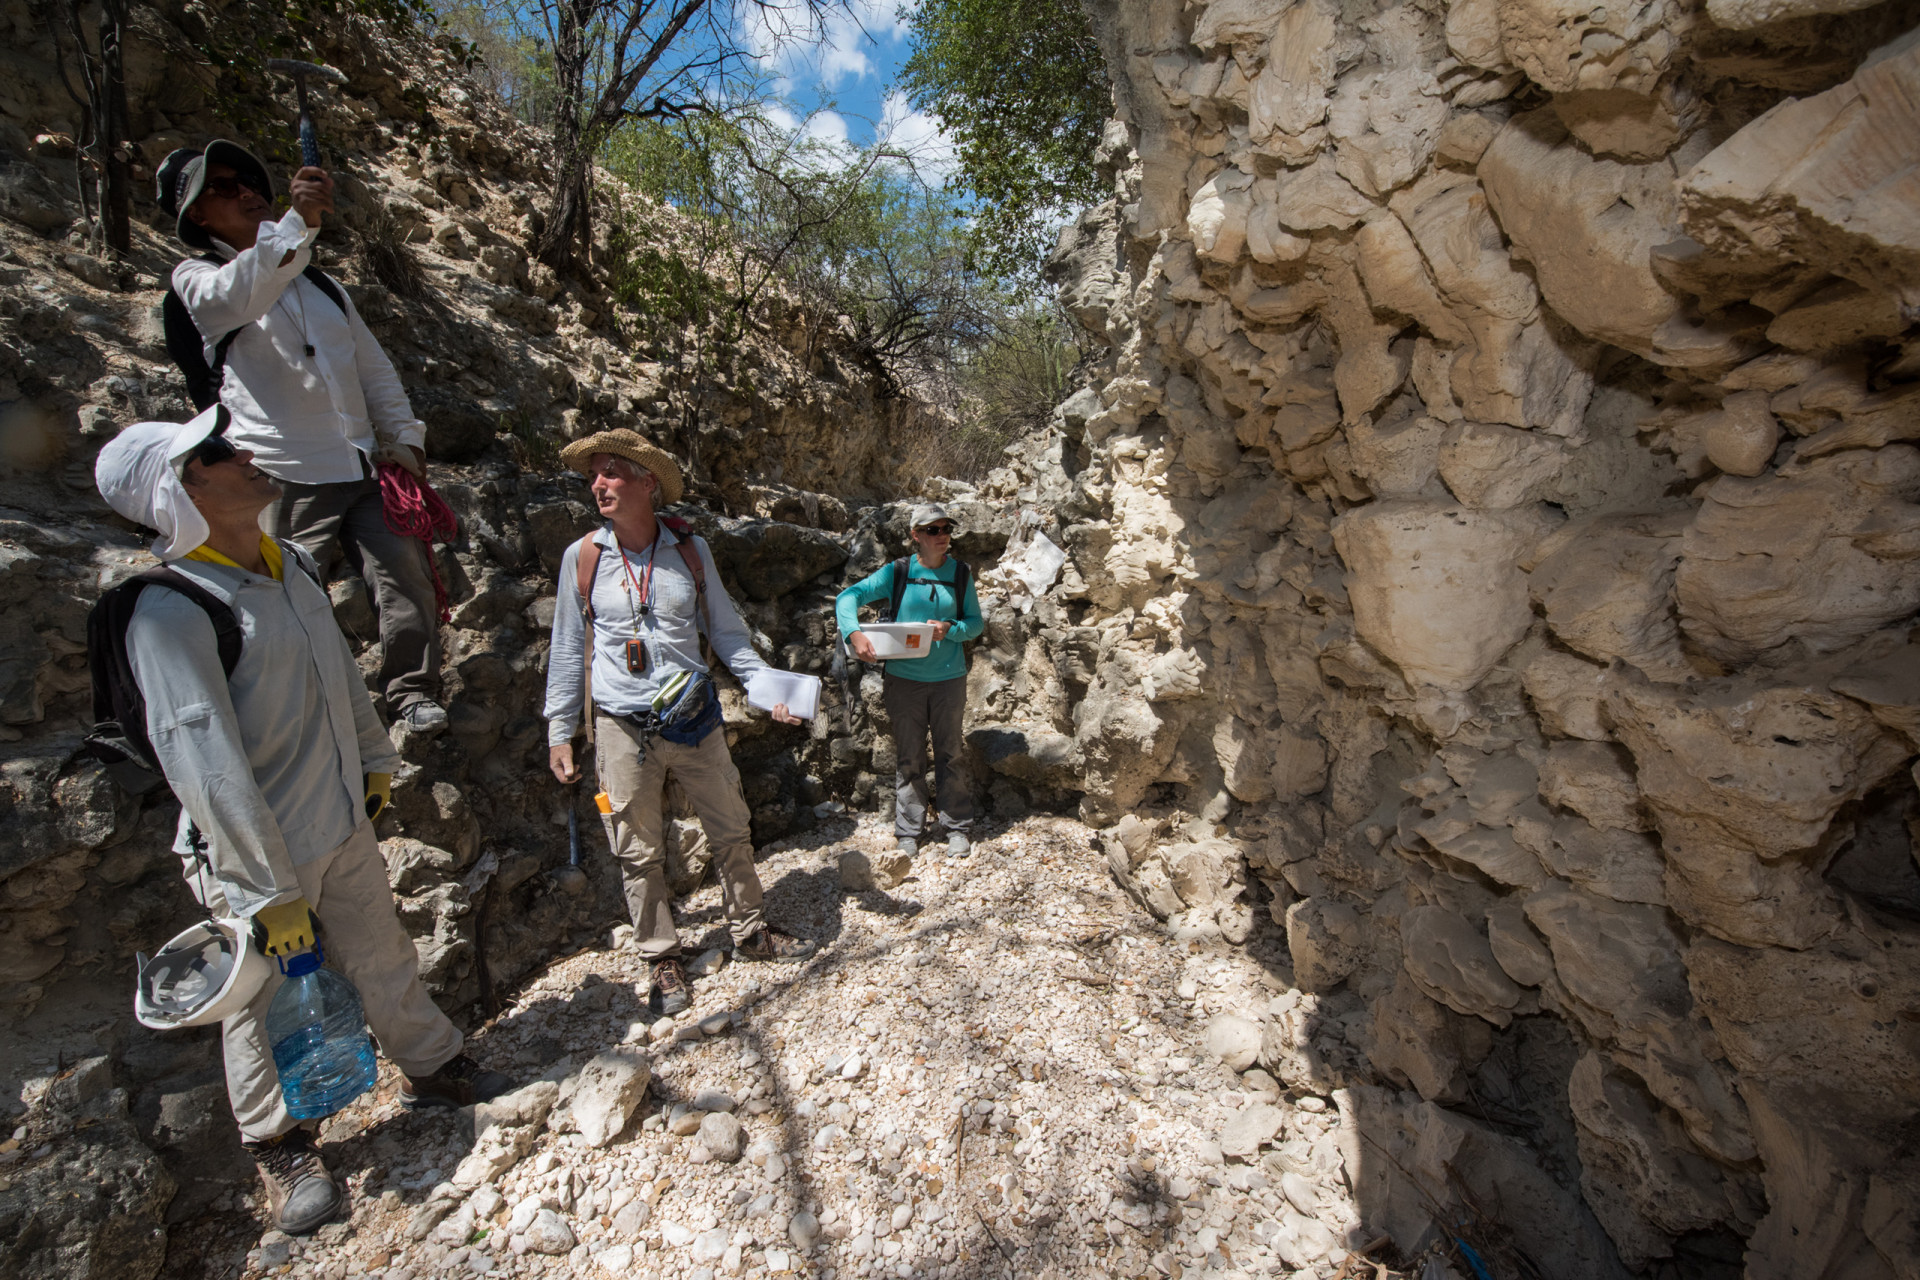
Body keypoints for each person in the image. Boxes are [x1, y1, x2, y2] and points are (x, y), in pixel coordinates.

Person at [94, 409, 509, 1236]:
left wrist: (375, 760)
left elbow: (339, 678)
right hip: (257, 855)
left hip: (338, 816)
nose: (247, 456)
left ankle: (433, 1064)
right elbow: (202, 765)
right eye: (218, 453)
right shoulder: (170, 612)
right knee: (257, 1004)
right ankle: (279, 1145)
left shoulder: (288, 567)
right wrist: (265, 889)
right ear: (184, 489)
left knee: (381, 950)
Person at [155, 140, 449, 735]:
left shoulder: (324, 287)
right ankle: (306, 708)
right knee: (284, 594)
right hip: (278, 469)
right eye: (224, 187)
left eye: (251, 182)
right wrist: (295, 225)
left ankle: (412, 693)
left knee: (406, 576)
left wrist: (406, 439)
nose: (247, 192)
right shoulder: (196, 279)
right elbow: (238, 295)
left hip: (361, 463)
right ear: (197, 217)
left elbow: (372, 369)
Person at [544, 430, 818, 1015]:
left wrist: (769, 692)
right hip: (620, 725)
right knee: (635, 848)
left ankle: (750, 932)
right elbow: (568, 647)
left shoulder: (691, 552)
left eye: (612, 471)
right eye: (594, 473)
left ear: (649, 484)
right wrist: (559, 729)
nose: (599, 483)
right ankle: (661, 955)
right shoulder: (584, 557)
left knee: (731, 827)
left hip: (694, 716)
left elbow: (726, 635)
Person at [836, 503, 983, 858]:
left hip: (950, 679)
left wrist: (951, 630)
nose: (942, 536)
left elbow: (975, 624)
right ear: (915, 535)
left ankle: (956, 827)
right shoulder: (898, 571)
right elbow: (848, 597)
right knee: (909, 756)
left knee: (951, 754)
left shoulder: (960, 574)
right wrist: (854, 634)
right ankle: (909, 830)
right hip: (903, 681)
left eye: (946, 529)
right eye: (933, 530)